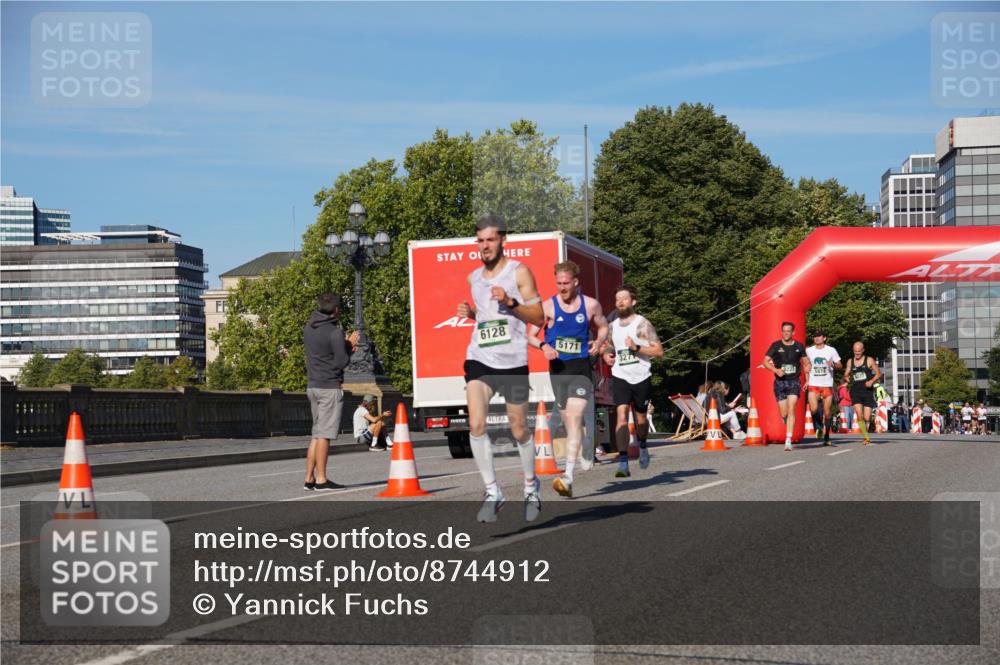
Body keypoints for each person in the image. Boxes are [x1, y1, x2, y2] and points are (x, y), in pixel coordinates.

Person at [457, 213, 546, 523]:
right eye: (480, 241)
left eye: (491, 240)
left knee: (519, 429)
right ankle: (493, 491)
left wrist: (510, 302)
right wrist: (472, 315)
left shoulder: (519, 273)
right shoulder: (473, 279)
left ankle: (531, 486)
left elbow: (538, 318)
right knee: (477, 424)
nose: (485, 246)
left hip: (514, 363)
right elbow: (487, 320)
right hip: (479, 358)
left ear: (503, 240)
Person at [528, 260, 609, 499]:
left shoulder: (591, 305)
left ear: (576, 282)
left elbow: (603, 327)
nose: (562, 287)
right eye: (558, 283)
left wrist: (599, 342)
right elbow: (531, 335)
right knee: (570, 423)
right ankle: (585, 443)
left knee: (574, 418)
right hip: (558, 370)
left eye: (566, 283)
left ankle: (568, 476)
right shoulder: (548, 307)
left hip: (582, 368)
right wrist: (544, 346)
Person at [303, 292, 359, 490]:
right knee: (325, 435)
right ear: (336, 309)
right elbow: (340, 361)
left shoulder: (309, 328)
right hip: (329, 387)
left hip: (313, 385)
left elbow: (324, 351)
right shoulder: (335, 332)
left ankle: (309, 478)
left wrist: (342, 345)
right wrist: (349, 345)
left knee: (317, 434)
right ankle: (321, 479)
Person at [609, 285, 664, 477]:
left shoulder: (642, 324)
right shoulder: (612, 326)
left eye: (624, 299)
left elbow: (659, 351)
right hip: (620, 375)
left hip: (641, 376)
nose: (620, 302)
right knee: (621, 415)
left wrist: (637, 349)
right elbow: (608, 348)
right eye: (618, 299)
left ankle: (642, 445)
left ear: (633, 302)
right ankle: (623, 461)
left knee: (641, 419)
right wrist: (606, 355)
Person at [763, 321, 810, 451]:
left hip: (794, 381)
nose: (786, 333)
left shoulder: (799, 346)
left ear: (793, 332)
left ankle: (788, 439)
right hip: (780, 382)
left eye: (788, 331)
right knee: (784, 413)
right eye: (784, 331)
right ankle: (786, 419)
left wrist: (807, 379)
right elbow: (765, 361)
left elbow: (806, 363)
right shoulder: (776, 345)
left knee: (791, 408)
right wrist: (775, 370)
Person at [805, 330, 842, 446]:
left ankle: (827, 436)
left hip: (827, 385)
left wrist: (833, 364)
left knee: (827, 412)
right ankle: (818, 427)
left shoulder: (831, 350)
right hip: (813, 384)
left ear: (824, 338)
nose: (816, 338)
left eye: (819, 336)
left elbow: (840, 365)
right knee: (814, 409)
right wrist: (806, 380)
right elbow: (806, 366)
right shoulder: (809, 351)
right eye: (815, 336)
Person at [843, 341, 881, 445]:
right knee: (859, 415)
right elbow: (846, 374)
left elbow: (878, 374)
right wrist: (847, 378)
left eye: (859, 352)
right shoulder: (850, 361)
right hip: (855, 391)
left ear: (863, 350)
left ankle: (872, 422)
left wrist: (871, 381)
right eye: (855, 352)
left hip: (867, 391)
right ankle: (866, 437)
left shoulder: (869, 360)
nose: (857, 354)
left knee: (866, 417)